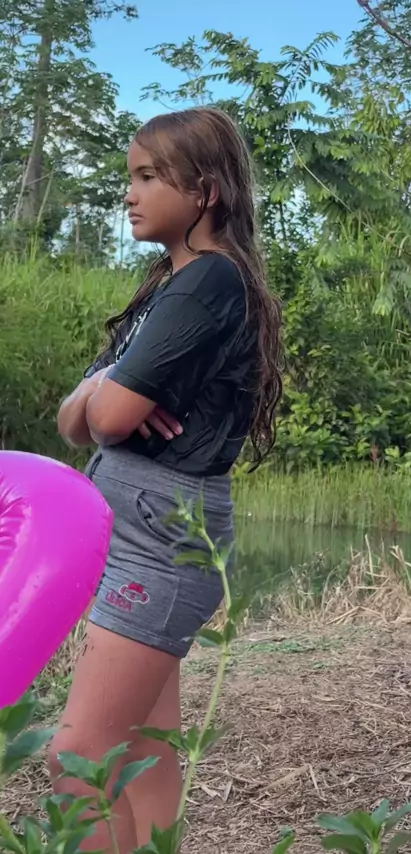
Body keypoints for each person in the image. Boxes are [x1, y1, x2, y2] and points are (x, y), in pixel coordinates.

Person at [49, 107, 283, 853]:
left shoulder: (207, 281)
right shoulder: (167, 286)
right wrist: (106, 392)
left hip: (161, 537)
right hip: (142, 528)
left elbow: (106, 416)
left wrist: (106, 395)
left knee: (79, 759)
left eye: (149, 176)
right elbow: (74, 418)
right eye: (131, 176)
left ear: (206, 191)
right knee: (143, 752)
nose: (130, 193)